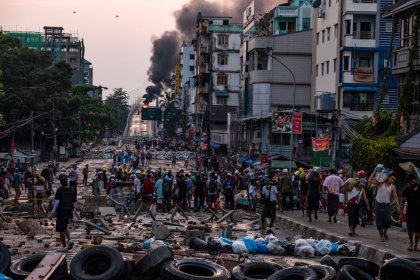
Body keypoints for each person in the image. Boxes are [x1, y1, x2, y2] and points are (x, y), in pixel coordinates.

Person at [369, 171, 401, 242]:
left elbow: (395, 197)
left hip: (387, 205)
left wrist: (398, 206)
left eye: (394, 180)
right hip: (379, 204)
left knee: (388, 221)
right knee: (379, 222)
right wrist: (374, 171)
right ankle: (381, 235)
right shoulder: (381, 183)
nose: (392, 180)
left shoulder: (393, 187)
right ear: (388, 177)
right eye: (391, 178)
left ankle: (385, 232)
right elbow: (370, 180)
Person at [50, 173, 75, 252]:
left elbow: (57, 202)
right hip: (68, 211)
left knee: (61, 230)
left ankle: (64, 246)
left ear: (61, 181)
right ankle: (70, 240)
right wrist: (72, 214)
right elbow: (73, 202)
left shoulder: (60, 190)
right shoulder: (71, 189)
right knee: (64, 227)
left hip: (61, 211)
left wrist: (53, 212)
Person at [401, 174, 420, 251]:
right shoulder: (406, 190)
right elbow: (402, 201)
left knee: (418, 230)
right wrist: (401, 214)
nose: (413, 182)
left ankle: (416, 245)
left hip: (419, 212)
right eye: (411, 182)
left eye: (414, 180)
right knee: (411, 229)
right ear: (409, 182)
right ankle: (411, 243)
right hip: (410, 212)